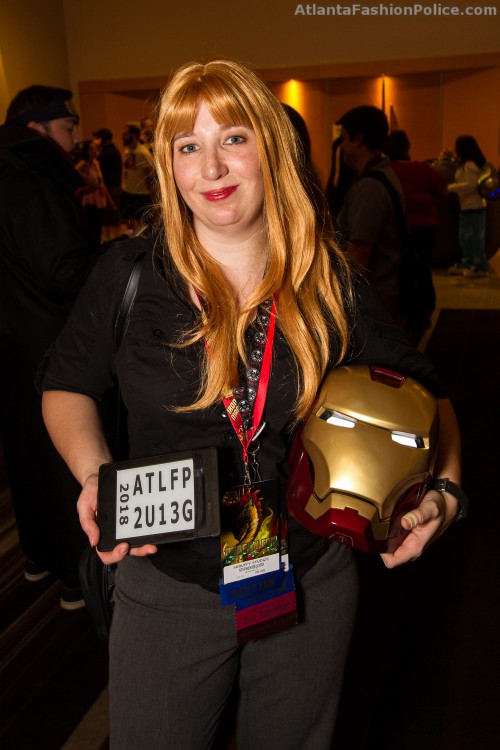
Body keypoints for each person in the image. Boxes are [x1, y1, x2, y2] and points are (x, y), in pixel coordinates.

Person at [40, 59, 463, 750]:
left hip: (307, 571)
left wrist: (445, 490)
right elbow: (67, 383)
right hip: (168, 577)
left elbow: (426, 389)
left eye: (233, 138)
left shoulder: (325, 277)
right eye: (188, 146)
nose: (211, 167)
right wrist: (93, 473)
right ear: (168, 167)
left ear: (270, 148)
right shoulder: (128, 275)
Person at [0, 85, 100, 609]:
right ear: (36, 129)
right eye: (67, 127)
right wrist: (115, 257)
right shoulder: (29, 178)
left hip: (10, 340)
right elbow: (64, 270)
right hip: (46, 340)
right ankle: (74, 573)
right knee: (61, 456)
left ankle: (38, 555)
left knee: (23, 456)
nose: (76, 137)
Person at [336, 105, 406, 320]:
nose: (342, 147)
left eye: (344, 138)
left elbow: (359, 254)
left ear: (358, 140)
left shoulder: (369, 187)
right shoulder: (382, 174)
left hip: (374, 302)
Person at [384, 129, 448, 335]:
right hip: (428, 226)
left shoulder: (387, 171)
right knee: (423, 268)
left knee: (405, 270)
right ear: (407, 148)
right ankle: (425, 310)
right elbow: (443, 188)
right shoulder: (422, 169)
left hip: (403, 228)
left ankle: (408, 314)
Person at [447, 135, 495, 276]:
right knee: (465, 238)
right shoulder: (467, 164)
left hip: (474, 207)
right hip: (467, 206)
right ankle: (467, 263)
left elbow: (471, 184)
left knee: (474, 240)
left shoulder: (469, 165)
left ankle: (480, 267)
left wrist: (450, 188)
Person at [76, 138, 116, 240]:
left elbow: (101, 183)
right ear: (86, 151)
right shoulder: (83, 163)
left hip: (100, 199)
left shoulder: (96, 163)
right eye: (92, 148)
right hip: (89, 201)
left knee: (98, 230)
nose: (95, 151)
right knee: (91, 230)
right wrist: (85, 176)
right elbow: (73, 171)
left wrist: (109, 200)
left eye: (95, 148)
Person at [121, 123, 154, 229]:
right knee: (128, 222)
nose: (122, 137)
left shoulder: (142, 153)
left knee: (142, 226)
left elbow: (149, 175)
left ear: (134, 136)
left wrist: (151, 193)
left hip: (141, 194)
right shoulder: (128, 150)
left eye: (125, 134)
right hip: (128, 191)